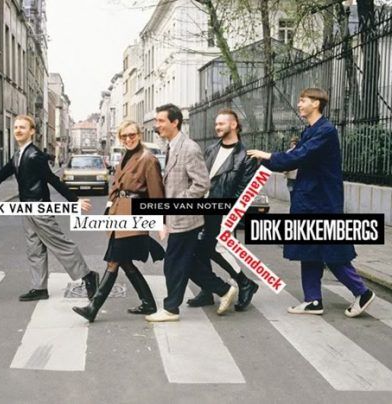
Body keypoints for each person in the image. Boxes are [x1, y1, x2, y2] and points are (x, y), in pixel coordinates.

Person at [248, 87, 375, 317]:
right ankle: (313, 300)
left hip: (322, 201)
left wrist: (267, 156)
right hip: (310, 199)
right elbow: (293, 159)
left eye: (302, 100)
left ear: (316, 103)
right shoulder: (311, 130)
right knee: (309, 251)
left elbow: (299, 156)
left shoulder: (325, 131)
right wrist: (268, 161)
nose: (299, 104)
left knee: (330, 251)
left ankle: (361, 291)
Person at [0, 115, 99, 301]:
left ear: (32, 131)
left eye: (22, 127)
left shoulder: (35, 155)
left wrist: (74, 200)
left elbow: (52, 180)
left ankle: (88, 276)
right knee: (34, 248)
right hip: (26, 208)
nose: (18, 130)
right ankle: (39, 288)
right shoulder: (18, 155)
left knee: (59, 244)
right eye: (15, 127)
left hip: (39, 208)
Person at [145, 104, 237, 322]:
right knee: (188, 263)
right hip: (178, 217)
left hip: (187, 217)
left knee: (173, 264)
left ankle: (171, 308)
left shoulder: (189, 148)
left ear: (174, 122)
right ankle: (224, 289)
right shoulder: (172, 146)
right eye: (157, 121)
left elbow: (202, 184)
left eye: (161, 121)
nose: (157, 125)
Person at [72, 120, 165, 322]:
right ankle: (148, 303)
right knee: (124, 261)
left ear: (139, 135)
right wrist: (108, 209)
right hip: (119, 215)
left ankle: (93, 307)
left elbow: (157, 194)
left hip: (134, 216)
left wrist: (159, 222)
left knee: (114, 260)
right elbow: (116, 187)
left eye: (132, 135)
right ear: (120, 138)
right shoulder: (126, 156)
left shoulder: (148, 159)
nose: (129, 139)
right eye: (124, 136)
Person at [187, 108, 259, 311]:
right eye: (216, 124)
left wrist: (228, 213)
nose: (217, 127)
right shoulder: (210, 149)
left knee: (216, 247)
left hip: (222, 210)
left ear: (234, 125)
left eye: (221, 123)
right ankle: (207, 291)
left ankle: (245, 283)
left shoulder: (246, 157)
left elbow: (244, 190)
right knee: (199, 247)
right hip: (203, 207)